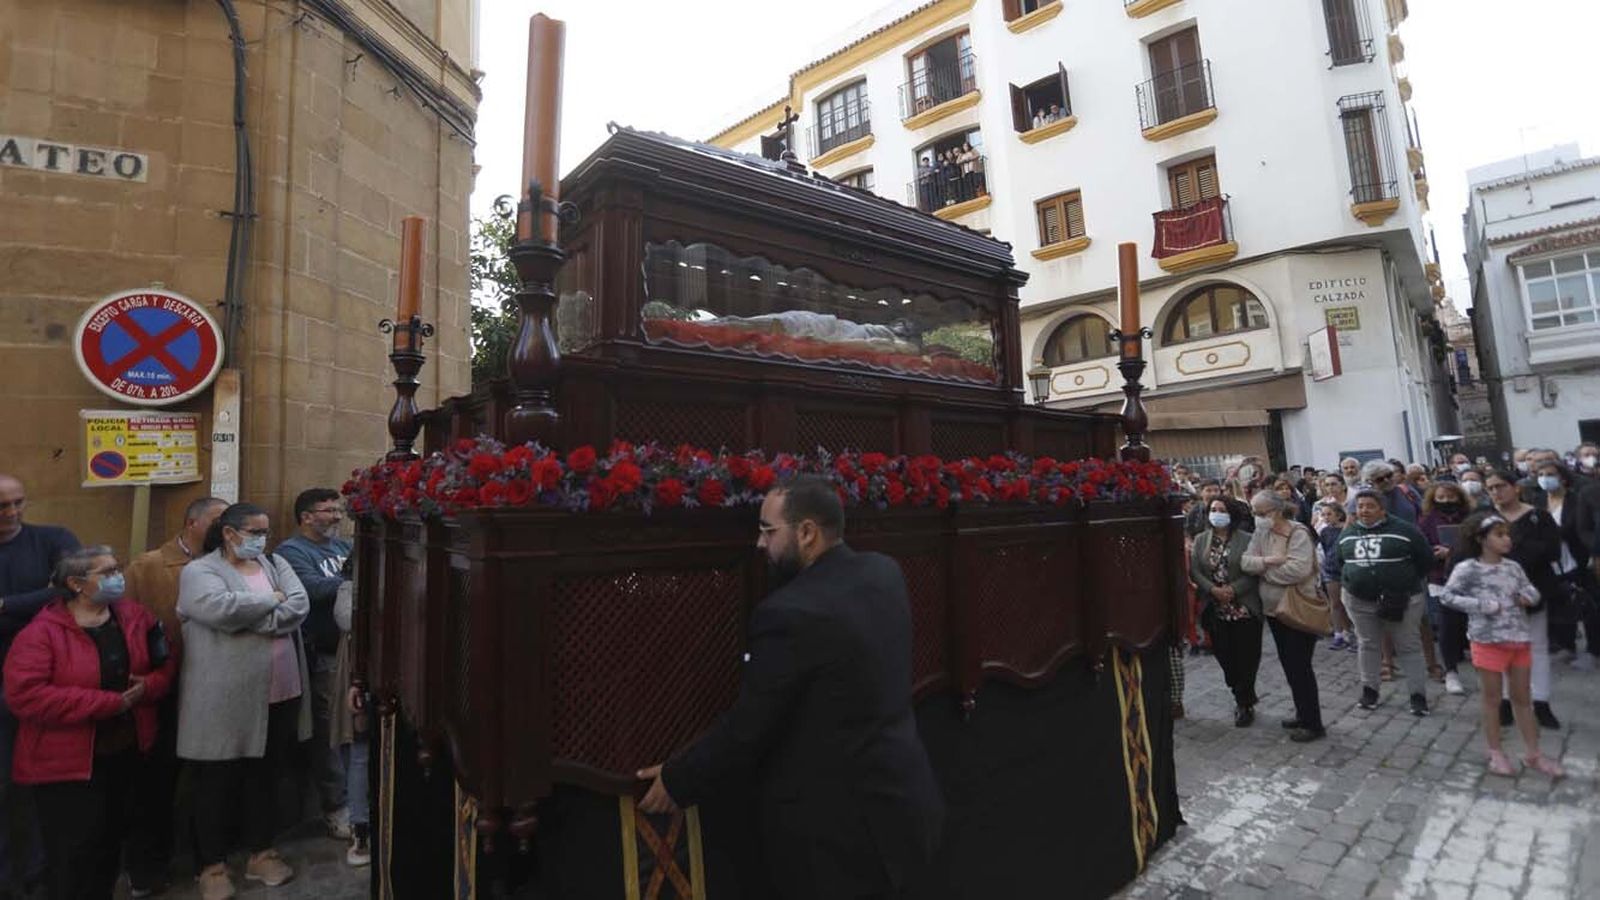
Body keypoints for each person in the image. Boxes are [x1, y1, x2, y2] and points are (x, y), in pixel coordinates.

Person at [636, 476, 943, 899]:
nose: (759, 545)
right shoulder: (884, 572)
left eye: (767, 531)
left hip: (839, 839)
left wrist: (677, 779)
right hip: (904, 804)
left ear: (806, 532)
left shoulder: (788, 614)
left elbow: (748, 728)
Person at [4, 545, 176, 900]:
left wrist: (149, 687)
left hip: (127, 752)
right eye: (108, 572)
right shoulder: (42, 634)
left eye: (118, 568)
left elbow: (164, 664)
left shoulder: (133, 617)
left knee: (110, 845)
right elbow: (25, 696)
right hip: (67, 766)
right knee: (74, 854)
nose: (118, 577)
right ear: (76, 584)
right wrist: (106, 704)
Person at [177, 502, 312, 899]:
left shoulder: (274, 564)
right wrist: (272, 603)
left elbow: (298, 605)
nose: (261, 539)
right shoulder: (200, 571)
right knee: (216, 781)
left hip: (280, 690)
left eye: (264, 532)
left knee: (265, 778)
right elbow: (217, 609)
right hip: (222, 696)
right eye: (254, 531)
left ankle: (261, 852)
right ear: (230, 533)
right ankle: (212, 865)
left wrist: (261, 613)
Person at [122, 495, 227, 895]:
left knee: (210, 781)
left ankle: (211, 859)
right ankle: (148, 866)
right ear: (192, 522)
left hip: (215, 689)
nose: (225, 527)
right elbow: (128, 622)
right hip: (165, 689)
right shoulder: (148, 567)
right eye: (218, 519)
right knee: (154, 784)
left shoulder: (232, 563)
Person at [0, 474, 80, 895]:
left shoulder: (52, 538)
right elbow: (51, 594)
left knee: (44, 782)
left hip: (49, 678)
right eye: (2, 507)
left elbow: (70, 586)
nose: (12, 513)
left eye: (18, 502)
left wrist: (5, 605)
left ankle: (42, 871)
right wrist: (40, 596)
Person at [1440, 514, 1564, 778]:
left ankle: (1533, 753)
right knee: (1492, 699)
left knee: (1522, 698)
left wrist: (1527, 597)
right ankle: (1495, 751)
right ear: (1481, 539)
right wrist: (1480, 606)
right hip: (1487, 641)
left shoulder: (1513, 567)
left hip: (1518, 638)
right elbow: (1448, 596)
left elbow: (1531, 590)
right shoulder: (1468, 569)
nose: (1507, 539)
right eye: (1499, 534)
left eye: (1507, 534)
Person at [273, 489, 353, 839]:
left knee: (351, 731)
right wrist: (351, 583)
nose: (337, 516)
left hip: (348, 651)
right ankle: (335, 806)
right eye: (328, 510)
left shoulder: (342, 547)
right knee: (328, 734)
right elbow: (313, 590)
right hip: (321, 655)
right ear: (306, 516)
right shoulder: (290, 552)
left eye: (338, 509)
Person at [1335, 490, 1435, 715]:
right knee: (1368, 644)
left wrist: (1398, 579)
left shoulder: (1405, 530)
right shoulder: (1349, 532)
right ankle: (1370, 689)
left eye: (1370, 506)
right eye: (1360, 506)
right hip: (1359, 599)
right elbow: (1341, 560)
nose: (1364, 510)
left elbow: (1425, 560)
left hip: (1402, 599)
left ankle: (1417, 695)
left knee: (1408, 645)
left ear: (1382, 509)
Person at [1242, 492, 1325, 742]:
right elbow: (1246, 561)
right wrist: (1269, 560)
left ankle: (1313, 723)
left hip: (1297, 608)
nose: (1256, 517)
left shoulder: (1298, 533)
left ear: (1276, 511)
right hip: (1273, 611)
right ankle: (1302, 713)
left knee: (1300, 667)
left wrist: (1265, 574)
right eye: (1254, 512)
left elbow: (1298, 570)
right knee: (1290, 666)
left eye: (1260, 512)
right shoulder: (1261, 533)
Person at [1484, 470, 1563, 730]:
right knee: (1504, 648)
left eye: (1501, 486)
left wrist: (1514, 554)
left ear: (1514, 487)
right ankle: (1507, 701)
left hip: (1533, 589)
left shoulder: (1537, 517)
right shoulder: (1484, 519)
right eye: (1491, 488)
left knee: (1537, 648)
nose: (1496, 492)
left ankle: (1541, 701)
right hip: (1497, 594)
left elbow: (1552, 550)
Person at [1188, 499, 1261, 727]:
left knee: (1247, 658)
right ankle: (1237, 688)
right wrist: (1213, 590)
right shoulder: (1201, 540)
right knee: (1225, 656)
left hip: (1243, 608)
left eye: (1221, 510)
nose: (1217, 514)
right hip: (1215, 608)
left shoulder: (1248, 539)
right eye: (1213, 510)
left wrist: (1233, 589)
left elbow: (1253, 571)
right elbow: (1195, 570)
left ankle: (1244, 701)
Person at [1532, 461, 1600, 671]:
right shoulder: (1539, 499)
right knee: (1558, 604)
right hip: (1550, 561)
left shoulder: (1575, 498)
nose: (1545, 478)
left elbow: (1578, 528)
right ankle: (1565, 646)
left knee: (1587, 605)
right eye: (1541, 474)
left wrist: (1550, 535)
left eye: (1550, 474)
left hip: (1574, 558)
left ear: (1562, 477)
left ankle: (1594, 650)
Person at [329, 575, 370, 867]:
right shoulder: (350, 585)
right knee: (360, 755)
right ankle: (361, 830)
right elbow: (348, 619)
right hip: (361, 675)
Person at [1419, 481, 1472, 696]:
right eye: (1441, 497)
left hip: (1470, 575)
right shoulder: (1427, 520)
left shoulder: (1470, 517)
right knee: (1446, 623)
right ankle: (1451, 671)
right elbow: (1421, 544)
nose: (1446, 501)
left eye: (1451, 496)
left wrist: (1452, 550)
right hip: (1441, 577)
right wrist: (1435, 552)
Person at [1314, 500, 1357, 652]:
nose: (1326, 517)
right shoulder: (1325, 532)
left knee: (1349, 602)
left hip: (1346, 569)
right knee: (1335, 603)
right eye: (1323, 515)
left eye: (1329, 514)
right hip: (1330, 569)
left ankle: (1353, 633)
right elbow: (1324, 550)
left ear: (1339, 515)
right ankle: (1339, 633)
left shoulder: (1348, 529)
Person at [1346, 461, 1418, 523]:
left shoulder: (1406, 491)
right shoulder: (1362, 498)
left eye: (1389, 475)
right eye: (1380, 479)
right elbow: (1351, 525)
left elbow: (1424, 514)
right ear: (1370, 482)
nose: (1386, 480)